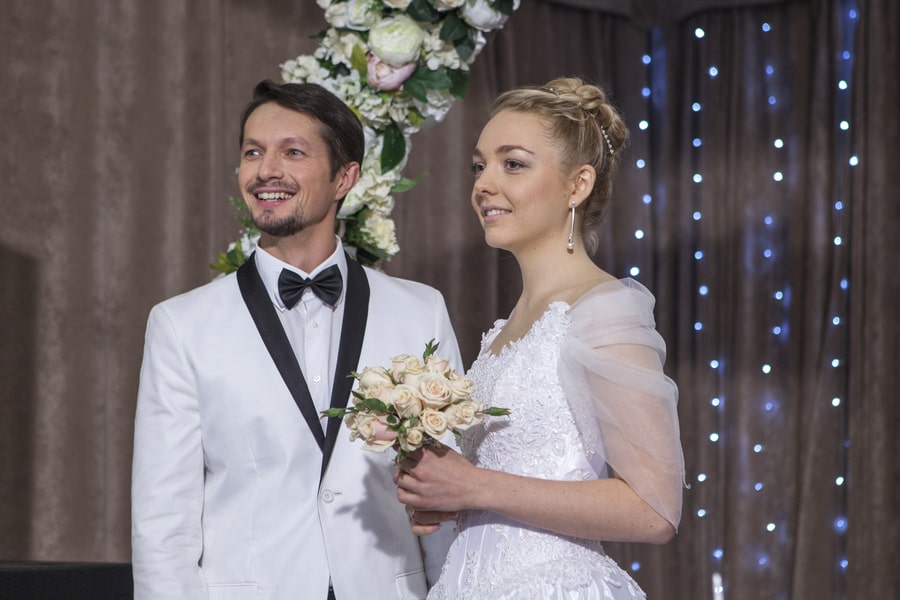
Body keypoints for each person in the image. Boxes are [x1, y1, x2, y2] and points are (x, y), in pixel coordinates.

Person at [131, 80, 461, 600]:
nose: (266, 170)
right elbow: (162, 523)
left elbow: (448, 489)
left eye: (292, 152)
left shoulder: (421, 311)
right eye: (252, 152)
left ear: (344, 177)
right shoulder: (181, 324)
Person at [394, 77, 686, 599]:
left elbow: (653, 511)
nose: (484, 184)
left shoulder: (605, 309)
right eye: (479, 166)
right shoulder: (504, 329)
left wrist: (475, 486)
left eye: (513, 164)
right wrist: (447, 494)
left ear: (577, 185)